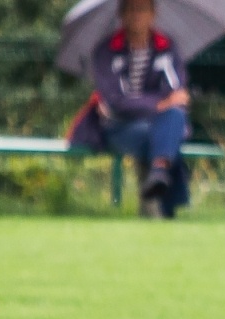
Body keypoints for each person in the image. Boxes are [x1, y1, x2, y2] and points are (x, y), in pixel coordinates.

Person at [92, 0, 191, 217]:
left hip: (163, 123)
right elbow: (116, 100)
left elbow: (177, 93)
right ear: (122, 14)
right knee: (162, 137)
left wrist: (163, 104)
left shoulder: (167, 47)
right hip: (119, 126)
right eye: (131, 9)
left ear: (153, 14)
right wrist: (158, 104)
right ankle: (165, 203)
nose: (137, 15)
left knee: (175, 116)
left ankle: (158, 173)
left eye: (142, 9)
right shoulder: (106, 51)